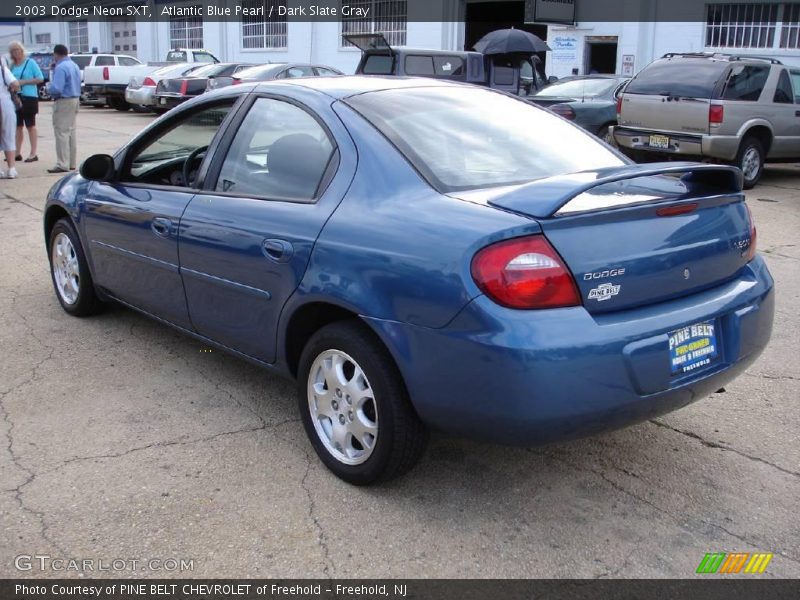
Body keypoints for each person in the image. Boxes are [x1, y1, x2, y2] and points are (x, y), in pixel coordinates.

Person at [46, 44, 80, 174]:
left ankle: (62, 163)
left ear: (56, 54)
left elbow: (57, 89)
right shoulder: (74, 65)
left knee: (61, 132)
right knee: (71, 132)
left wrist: (48, 88)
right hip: (75, 99)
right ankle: (71, 162)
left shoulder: (61, 67)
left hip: (64, 101)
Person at [8, 41, 43, 163]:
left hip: (29, 97)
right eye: (13, 51)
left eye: (17, 50)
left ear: (22, 50)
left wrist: (23, 82)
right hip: (16, 98)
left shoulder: (30, 63)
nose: (16, 52)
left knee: (30, 125)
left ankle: (33, 153)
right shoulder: (12, 65)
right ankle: (17, 152)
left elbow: (40, 78)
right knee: (17, 126)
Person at [0, 56, 20, 178]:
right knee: (9, 135)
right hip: (4, 103)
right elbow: (15, 83)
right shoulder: (3, 70)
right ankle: (11, 168)